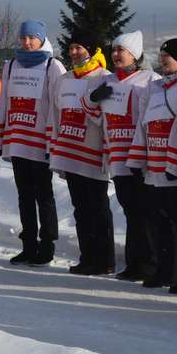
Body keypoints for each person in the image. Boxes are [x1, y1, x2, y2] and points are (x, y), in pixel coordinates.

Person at [127, 38, 177, 294]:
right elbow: (143, 123)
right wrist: (138, 158)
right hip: (155, 167)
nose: (162, 60)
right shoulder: (155, 87)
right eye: (160, 55)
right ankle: (166, 271)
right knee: (160, 223)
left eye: (167, 55)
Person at [84, 30, 160, 282]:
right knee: (131, 211)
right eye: (114, 50)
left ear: (134, 55)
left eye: (122, 51)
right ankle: (134, 262)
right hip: (117, 157)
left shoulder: (149, 79)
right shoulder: (109, 82)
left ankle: (150, 263)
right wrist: (93, 99)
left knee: (145, 211)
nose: (116, 55)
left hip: (142, 157)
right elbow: (94, 113)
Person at [0, 20, 66, 266]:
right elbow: (4, 102)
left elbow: (58, 105)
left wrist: (53, 141)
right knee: (24, 196)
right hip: (18, 140)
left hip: (40, 142)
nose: (27, 42)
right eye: (23, 38)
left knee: (44, 195)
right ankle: (28, 244)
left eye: (32, 37)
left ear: (42, 38)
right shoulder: (11, 65)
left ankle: (47, 244)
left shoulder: (52, 66)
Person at [49, 30, 114, 275]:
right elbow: (57, 115)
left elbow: (108, 118)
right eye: (72, 47)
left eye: (80, 47)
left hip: (93, 154)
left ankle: (105, 259)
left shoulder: (105, 78)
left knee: (97, 207)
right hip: (70, 152)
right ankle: (87, 256)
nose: (74, 52)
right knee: (80, 208)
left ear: (92, 49)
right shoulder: (64, 80)